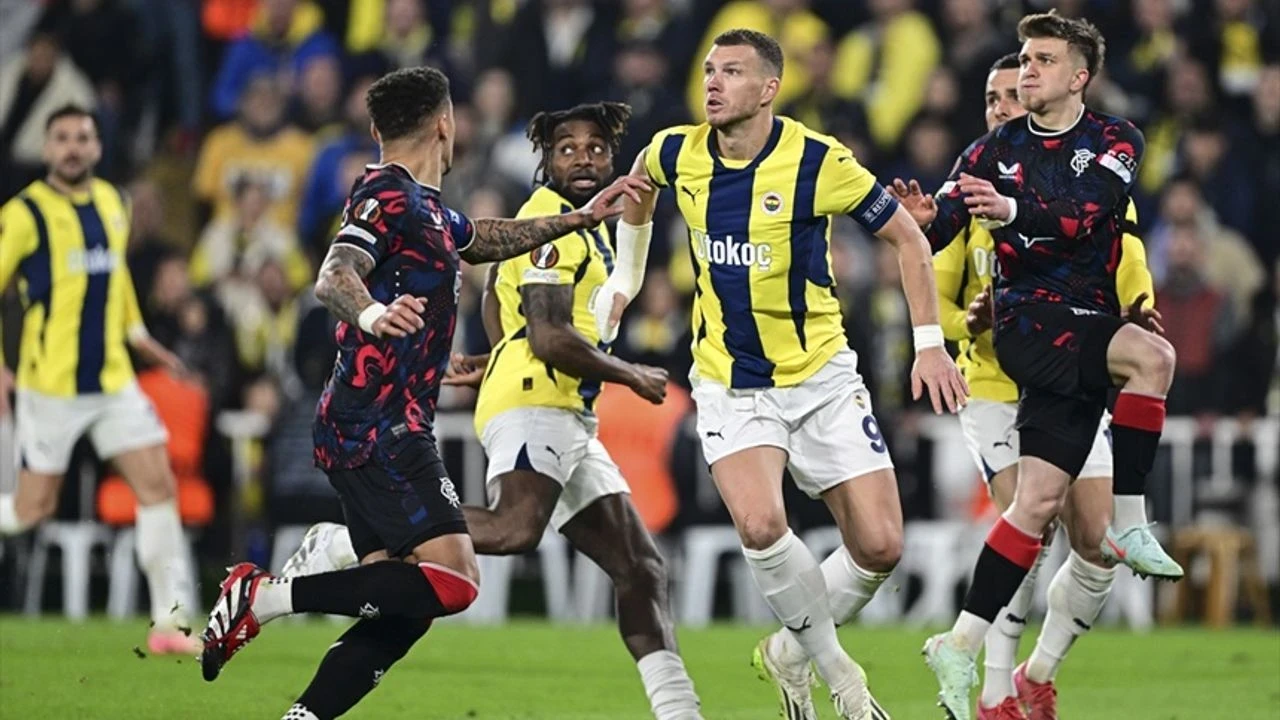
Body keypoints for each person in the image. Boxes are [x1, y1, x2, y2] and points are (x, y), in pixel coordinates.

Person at [196, 67, 647, 720]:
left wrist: (576, 218)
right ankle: (264, 598)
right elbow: (333, 275)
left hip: (379, 420)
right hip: (378, 425)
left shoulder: (426, 206)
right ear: (445, 123)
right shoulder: (385, 194)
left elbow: (482, 239)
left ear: (378, 127)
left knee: (407, 606)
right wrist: (375, 314)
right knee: (454, 580)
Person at [280, 101, 705, 720]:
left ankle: (680, 712)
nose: (583, 160)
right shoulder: (548, 220)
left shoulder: (576, 226)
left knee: (639, 566)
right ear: (545, 161)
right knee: (514, 528)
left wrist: (494, 359)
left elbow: (499, 310)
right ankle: (344, 543)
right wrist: (629, 373)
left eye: (595, 149)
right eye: (566, 149)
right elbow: (548, 337)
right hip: (537, 401)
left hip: (560, 403)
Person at [596, 28, 969, 720]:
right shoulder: (675, 150)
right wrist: (625, 278)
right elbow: (639, 187)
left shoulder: (819, 160)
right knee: (762, 525)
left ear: (769, 89)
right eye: (709, 69)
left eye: (732, 72)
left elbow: (908, 238)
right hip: (730, 383)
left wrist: (928, 344)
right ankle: (842, 676)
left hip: (821, 376)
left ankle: (790, 652)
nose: (713, 82)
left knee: (881, 546)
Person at [910, 14, 1178, 720]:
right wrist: (919, 219)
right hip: (1026, 329)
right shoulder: (988, 152)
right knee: (1153, 358)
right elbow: (940, 228)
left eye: (1041, 61)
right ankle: (1132, 522)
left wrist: (1012, 209)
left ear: (1079, 76)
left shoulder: (1117, 141)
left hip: (1083, 331)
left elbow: (1090, 215)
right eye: (1022, 61)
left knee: (1038, 509)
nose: (1026, 73)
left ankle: (962, 644)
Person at [0, 104, 198, 655]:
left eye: (82, 137)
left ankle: (172, 624)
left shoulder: (114, 202)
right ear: (47, 149)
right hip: (50, 388)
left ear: (97, 147)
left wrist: (138, 336)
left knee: (158, 488)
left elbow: (116, 279)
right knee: (31, 512)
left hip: (113, 383)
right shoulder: (24, 214)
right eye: (62, 138)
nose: (72, 147)